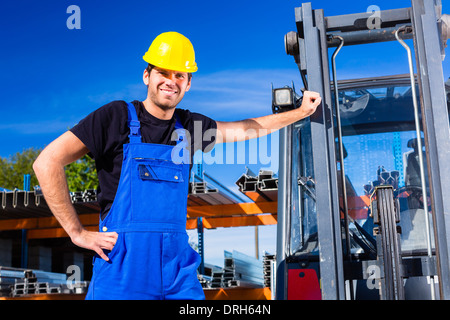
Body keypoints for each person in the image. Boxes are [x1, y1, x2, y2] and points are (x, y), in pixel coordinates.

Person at [33, 31, 321, 300]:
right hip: (122, 267)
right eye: (163, 72)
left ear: (188, 82)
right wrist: (77, 233)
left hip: (177, 272)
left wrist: (301, 112)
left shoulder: (191, 126)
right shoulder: (115, 118)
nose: (171, 80)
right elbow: (47, 162)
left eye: (179, 75)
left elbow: (247, 128)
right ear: (147, 75)